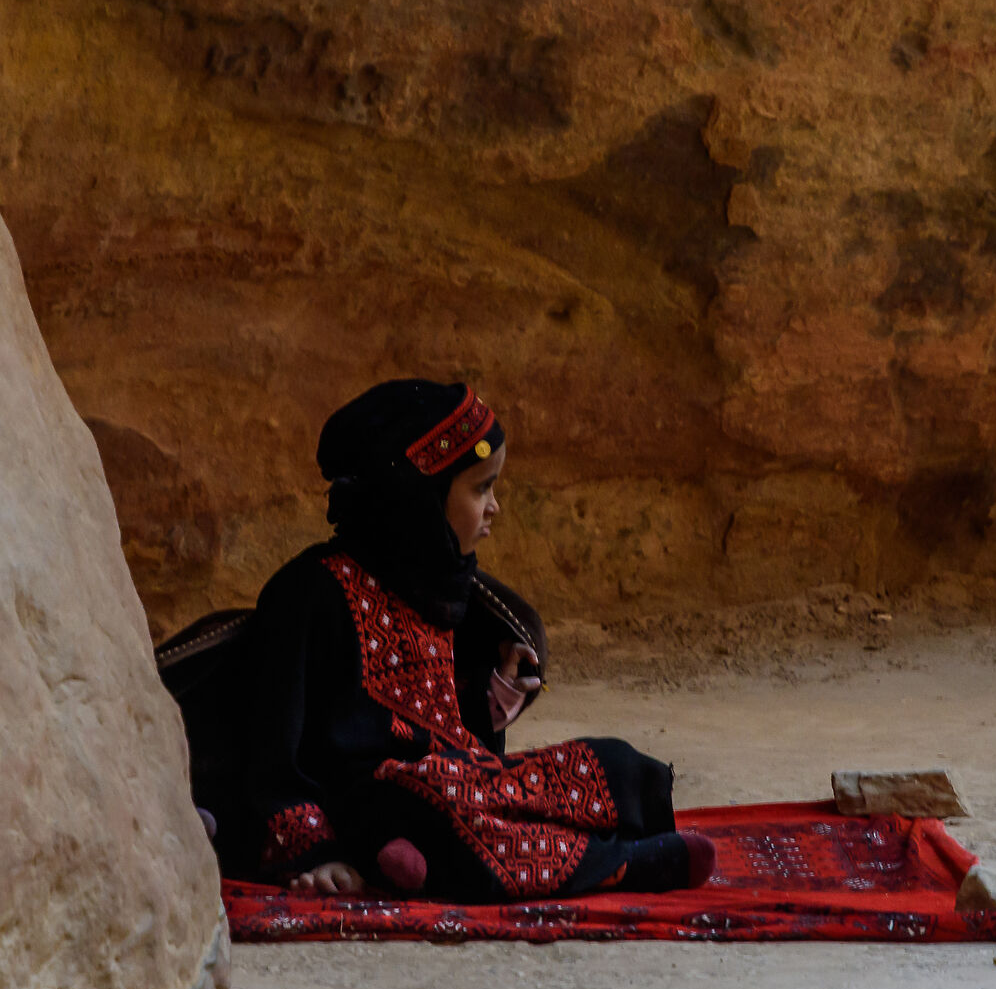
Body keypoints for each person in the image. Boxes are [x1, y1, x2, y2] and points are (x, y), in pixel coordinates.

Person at [165, 379, 714, 902]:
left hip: (456, 783)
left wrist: (493, 696)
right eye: (481, 488)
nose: (494, 506)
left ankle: (415, 860)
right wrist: (317, 852)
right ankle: (627, 865)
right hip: (368, 804)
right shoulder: (308, 591)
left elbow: (448, 728)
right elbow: (274, 749)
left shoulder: (443, 591)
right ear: (417, 499)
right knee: (451, 807)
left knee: (608, 765)